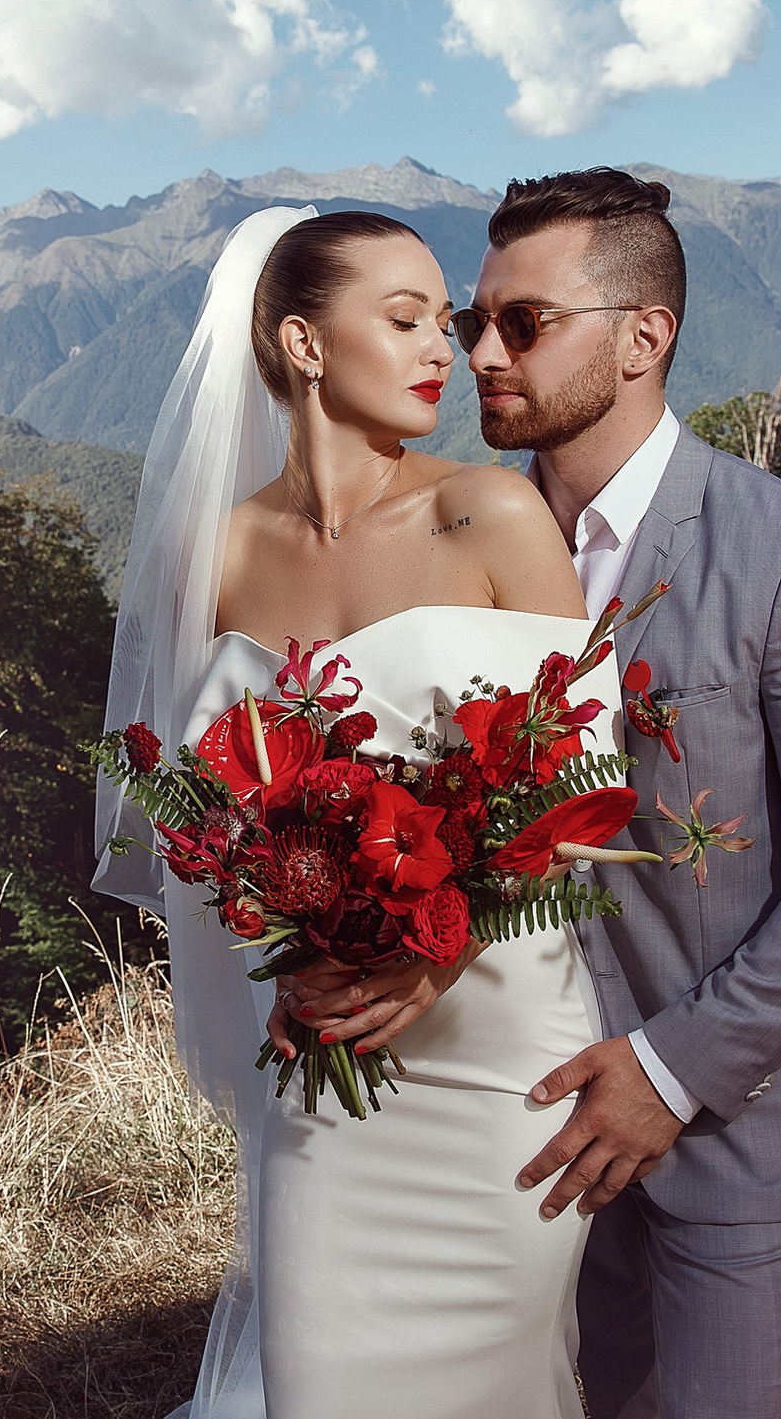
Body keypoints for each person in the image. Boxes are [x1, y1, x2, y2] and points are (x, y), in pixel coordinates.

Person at [94, 203, 624, 1419]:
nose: (447, 349)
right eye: (404, 320)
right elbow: (197, 818)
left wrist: (431, 959)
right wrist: (285, 935)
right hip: (323, 1050)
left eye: (443, 321)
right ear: (302, 343)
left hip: (499, 1067)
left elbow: (584, 791)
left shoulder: (487, 514)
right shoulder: (213, 555)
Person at [464, 169, 781, 1419]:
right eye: (473, 323)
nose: (482, 353)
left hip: (725, 1131)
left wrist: (669, 1073)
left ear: (641, 338)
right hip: (501, 1122)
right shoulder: (458, 552)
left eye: (523, 323)